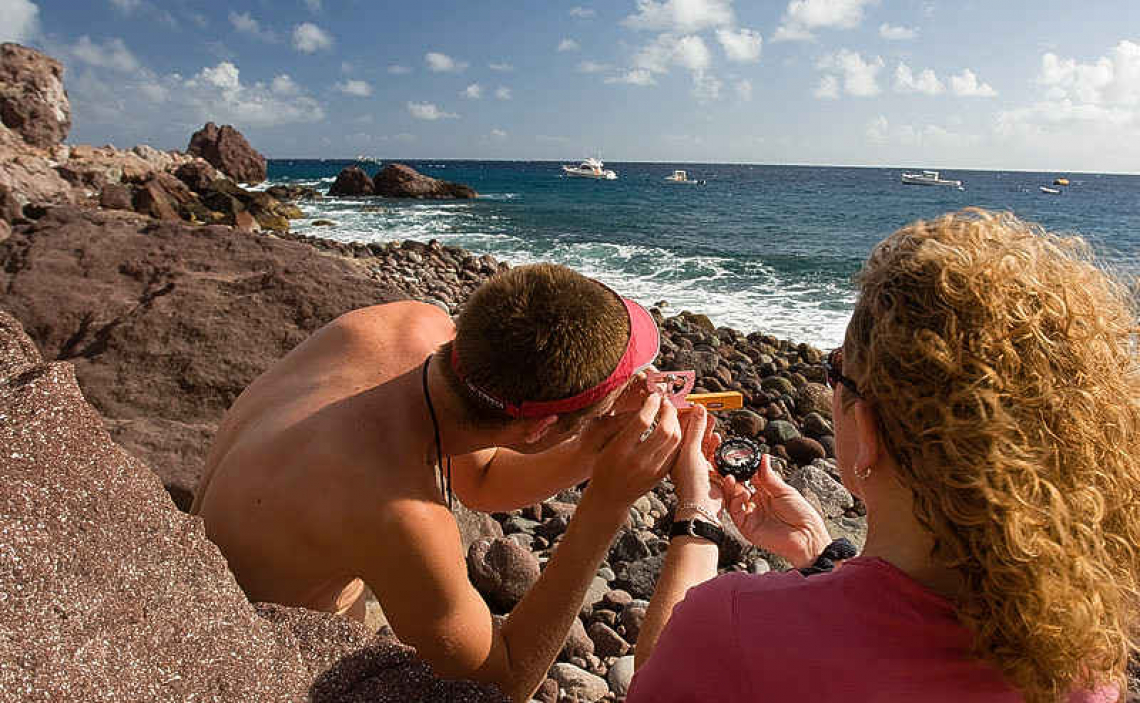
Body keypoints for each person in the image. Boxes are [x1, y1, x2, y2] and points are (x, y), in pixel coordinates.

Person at [628, 210, 1140, 703]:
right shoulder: (1083, 655)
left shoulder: (732, 629)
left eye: (837, 369)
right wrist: (821, 558)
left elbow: (653, 683)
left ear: (868, 430)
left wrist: (696, 518)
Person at [191, 262, 707, 703]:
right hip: (252, 655)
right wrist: (607, 504)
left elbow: (481, 480)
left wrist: (594, 445)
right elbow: (500, 684)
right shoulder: (398, 510)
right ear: (539, 427)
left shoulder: (410, 326)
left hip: (231, 568)